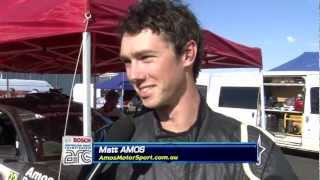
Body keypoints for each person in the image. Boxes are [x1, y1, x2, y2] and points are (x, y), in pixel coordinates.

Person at [99, 0, 297, 179]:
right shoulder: (115, 142)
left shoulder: (251, 149)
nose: (134, 74)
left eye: (146, 57)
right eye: (127, 61)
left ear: (187, 54)